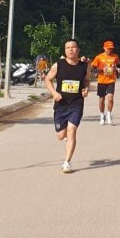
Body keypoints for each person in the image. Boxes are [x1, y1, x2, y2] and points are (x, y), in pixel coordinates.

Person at [44, 39, 90, 173]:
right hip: (61, 105)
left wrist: (86, 89)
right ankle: (65, 140)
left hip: (76, 104)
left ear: (78, 49)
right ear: (65, 51)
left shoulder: (84, 66)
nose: (71, 49)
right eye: (68, 47)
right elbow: (47, 79)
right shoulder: (59, 65)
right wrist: (54, 93)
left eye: (73, 47)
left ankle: (67, 162)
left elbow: (86, 80)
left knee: (72, 131)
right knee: (60, 135)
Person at [90, 40, 120, 125]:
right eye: (108, 48)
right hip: (101, 80)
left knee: (110, 98)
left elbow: (118, 64)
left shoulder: (115, 56)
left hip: (111, 80)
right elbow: (93, 69)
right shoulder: (99, 57)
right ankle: (101, 115)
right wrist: (101, 70)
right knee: (101, 99)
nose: (110, 50)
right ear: (104, 48)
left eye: (111, 49)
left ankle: (108, 115)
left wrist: (118, 70)